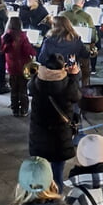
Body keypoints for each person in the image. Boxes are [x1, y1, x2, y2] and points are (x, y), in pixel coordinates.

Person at [28, 53, 82, 191]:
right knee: (57, 174)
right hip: (60, 137)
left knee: (40, 173)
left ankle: (41, 199)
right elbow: (77, 96)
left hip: (39, 134)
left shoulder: (35, 82)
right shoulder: (68, 84)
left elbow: (30, 85)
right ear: (62, 67)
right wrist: (74, 76)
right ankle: (56, 203)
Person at [0, 16, 36, 117]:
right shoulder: (22, 36)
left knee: (14, 89)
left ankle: (15, 109)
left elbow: (2, 50)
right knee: (23, 89)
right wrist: (34, 50)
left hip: (11, 67)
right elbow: (27, 50)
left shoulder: (5, 36)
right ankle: (24, 109)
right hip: (23, 67)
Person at [64, 0, 97, 85]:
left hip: (65, 49)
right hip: (82, 49)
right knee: (85, 73)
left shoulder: (62, 14)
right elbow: (93, 35)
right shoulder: (87, 16)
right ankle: (85, 93)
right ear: (83, 2)